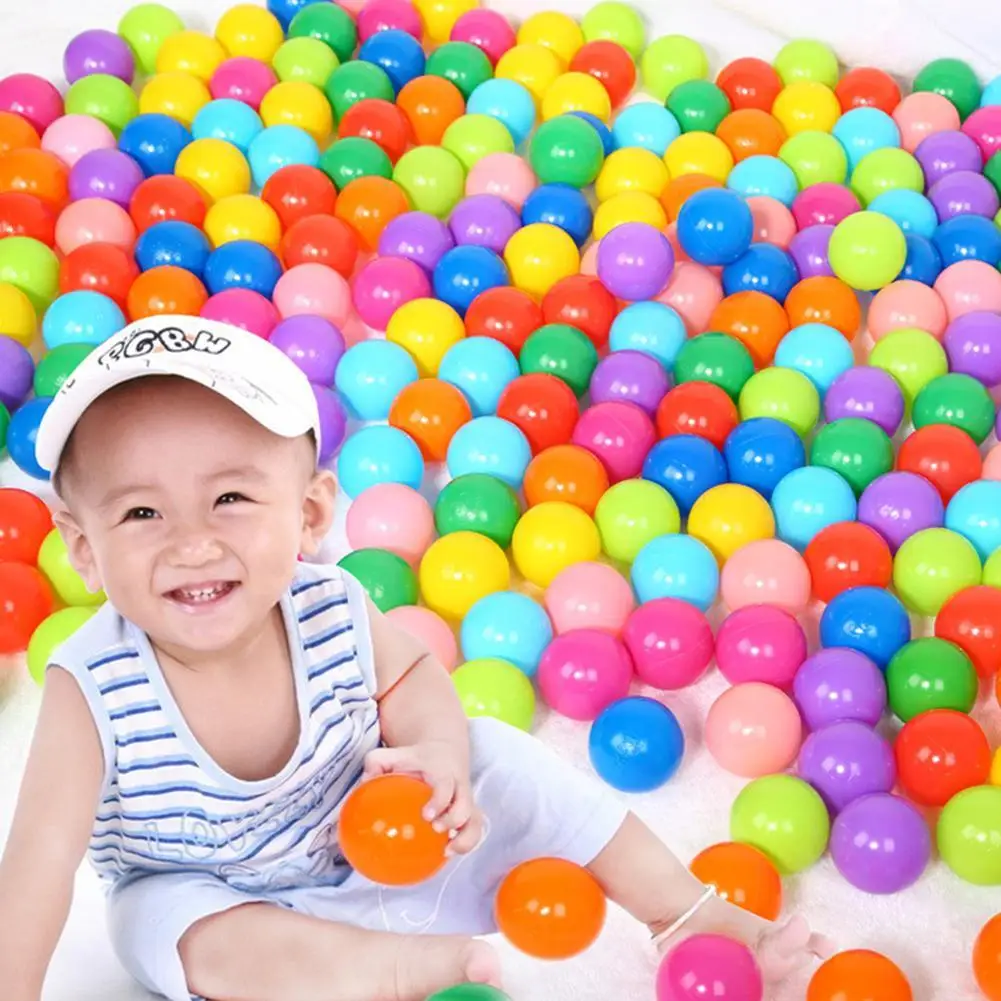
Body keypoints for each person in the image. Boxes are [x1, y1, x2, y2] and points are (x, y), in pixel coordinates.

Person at [0, 316, 830, 1001]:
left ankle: (682, 909)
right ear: (83, 548)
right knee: (174, 930)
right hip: (208, 894)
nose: (192, 541)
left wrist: (438, 752)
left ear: (310, 514)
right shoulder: (93, 683)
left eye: (230, 498)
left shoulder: (330, 605)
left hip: (377, 840)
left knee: (497, 750)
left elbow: (410, 677)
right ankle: (382, 970)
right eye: (142, 513)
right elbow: (39, 861)